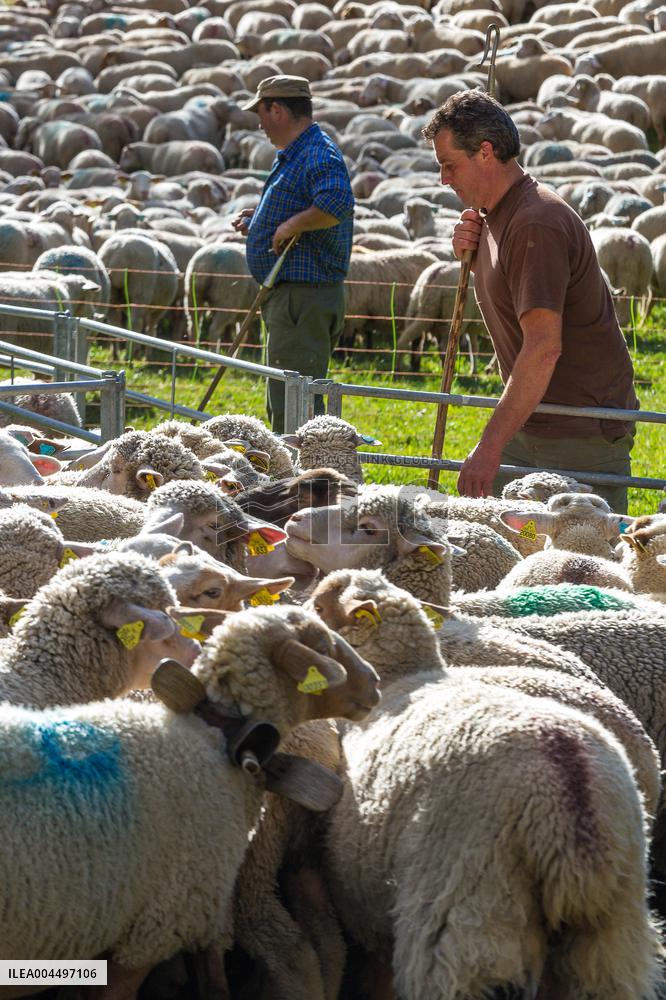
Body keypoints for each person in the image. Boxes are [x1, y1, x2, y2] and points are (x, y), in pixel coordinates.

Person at [423, 91, 639, 513]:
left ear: (485, 152)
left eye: (450, 165)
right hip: (532, 416)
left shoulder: (535, 223)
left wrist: (488, 447)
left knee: (581, 560)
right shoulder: (493, 217)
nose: (444, 179)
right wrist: (469, 251)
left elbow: (543, 348)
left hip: (575, 432)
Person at [232, 75, 354, 434]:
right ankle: (294, 480)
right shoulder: (299, 152)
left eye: (261, 112)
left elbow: (336, 203)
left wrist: (288, 227)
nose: (260, 123)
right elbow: (307, 205)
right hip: (293, 297)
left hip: (303, 298)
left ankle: (302, 484)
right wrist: (259, 223)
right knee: (285, 398)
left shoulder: (317, 152)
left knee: (295, 408)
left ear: (278, 109)